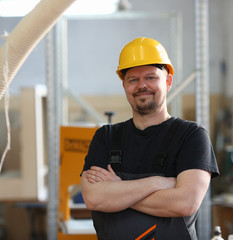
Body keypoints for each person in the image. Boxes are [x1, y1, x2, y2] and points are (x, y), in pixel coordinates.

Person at [81, 37, 219, 240]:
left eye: (151, 77)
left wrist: (117, 189)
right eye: (133, 79)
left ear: (168, 81)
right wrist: (157, 183)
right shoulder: (106, 137)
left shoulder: (191, 136)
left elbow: (185, 202)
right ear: (125, 85)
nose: (142, 85)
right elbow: (94, 198)